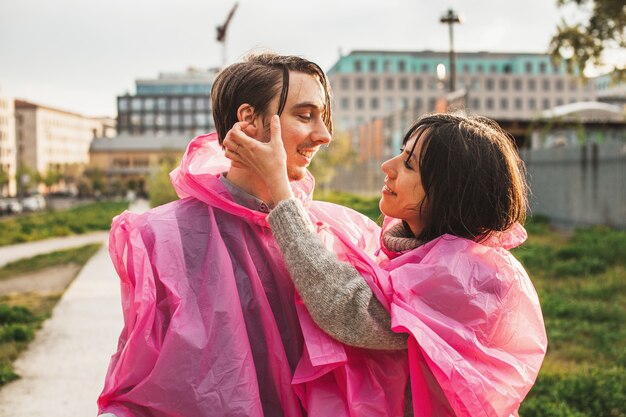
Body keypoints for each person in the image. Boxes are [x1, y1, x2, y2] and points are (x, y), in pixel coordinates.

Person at [97, 53, 409, 417]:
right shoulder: (161, 237)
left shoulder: (346, 231)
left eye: (323, 118)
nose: (324, 135)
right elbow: (138, 382)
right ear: (247, 119)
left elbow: (405, 329)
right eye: (305, 115)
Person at [223, 112, 548, 417]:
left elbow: (348, 308)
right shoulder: (423, 255)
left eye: (409, 165)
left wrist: (280, 191)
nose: (387, 166)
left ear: (450, 191)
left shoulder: (470, 275)